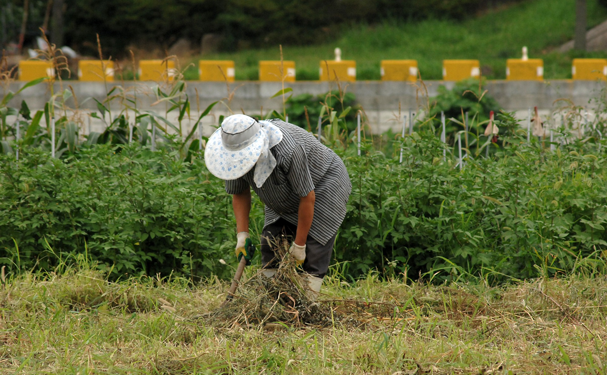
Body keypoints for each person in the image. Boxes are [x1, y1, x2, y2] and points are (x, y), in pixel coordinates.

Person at [204, 114, 351, 300]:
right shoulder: (232, 156)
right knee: (270, 241)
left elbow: (307, 197)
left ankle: (307, 307)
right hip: (281, 191)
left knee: (314, 250)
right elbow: (239, 192)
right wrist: (242, 235)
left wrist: (299, 245)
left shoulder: (288, 150)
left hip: (323, 184)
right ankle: (273, 302)